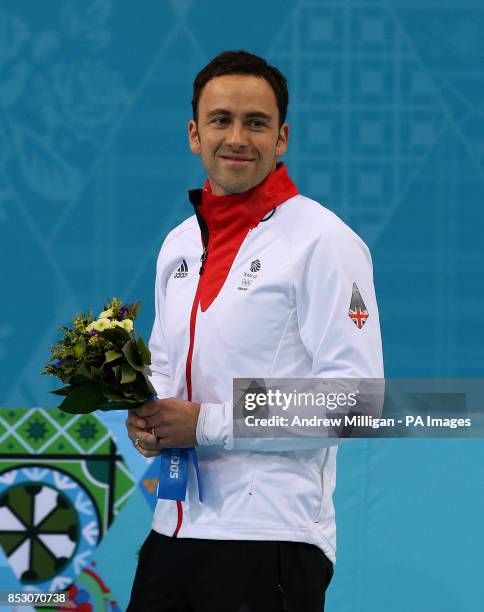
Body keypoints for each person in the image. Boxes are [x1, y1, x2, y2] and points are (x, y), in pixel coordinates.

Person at [125, 50, 384, 612]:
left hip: (271, 539)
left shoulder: (323, 243)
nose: (237, 137)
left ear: (282, 138)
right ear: (195, 134)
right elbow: (165, 366)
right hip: (173, 530)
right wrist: (147, 417)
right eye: (221, 120)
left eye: (256, 122)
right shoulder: (178, 244)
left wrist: (208, 424)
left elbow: (357, 403)